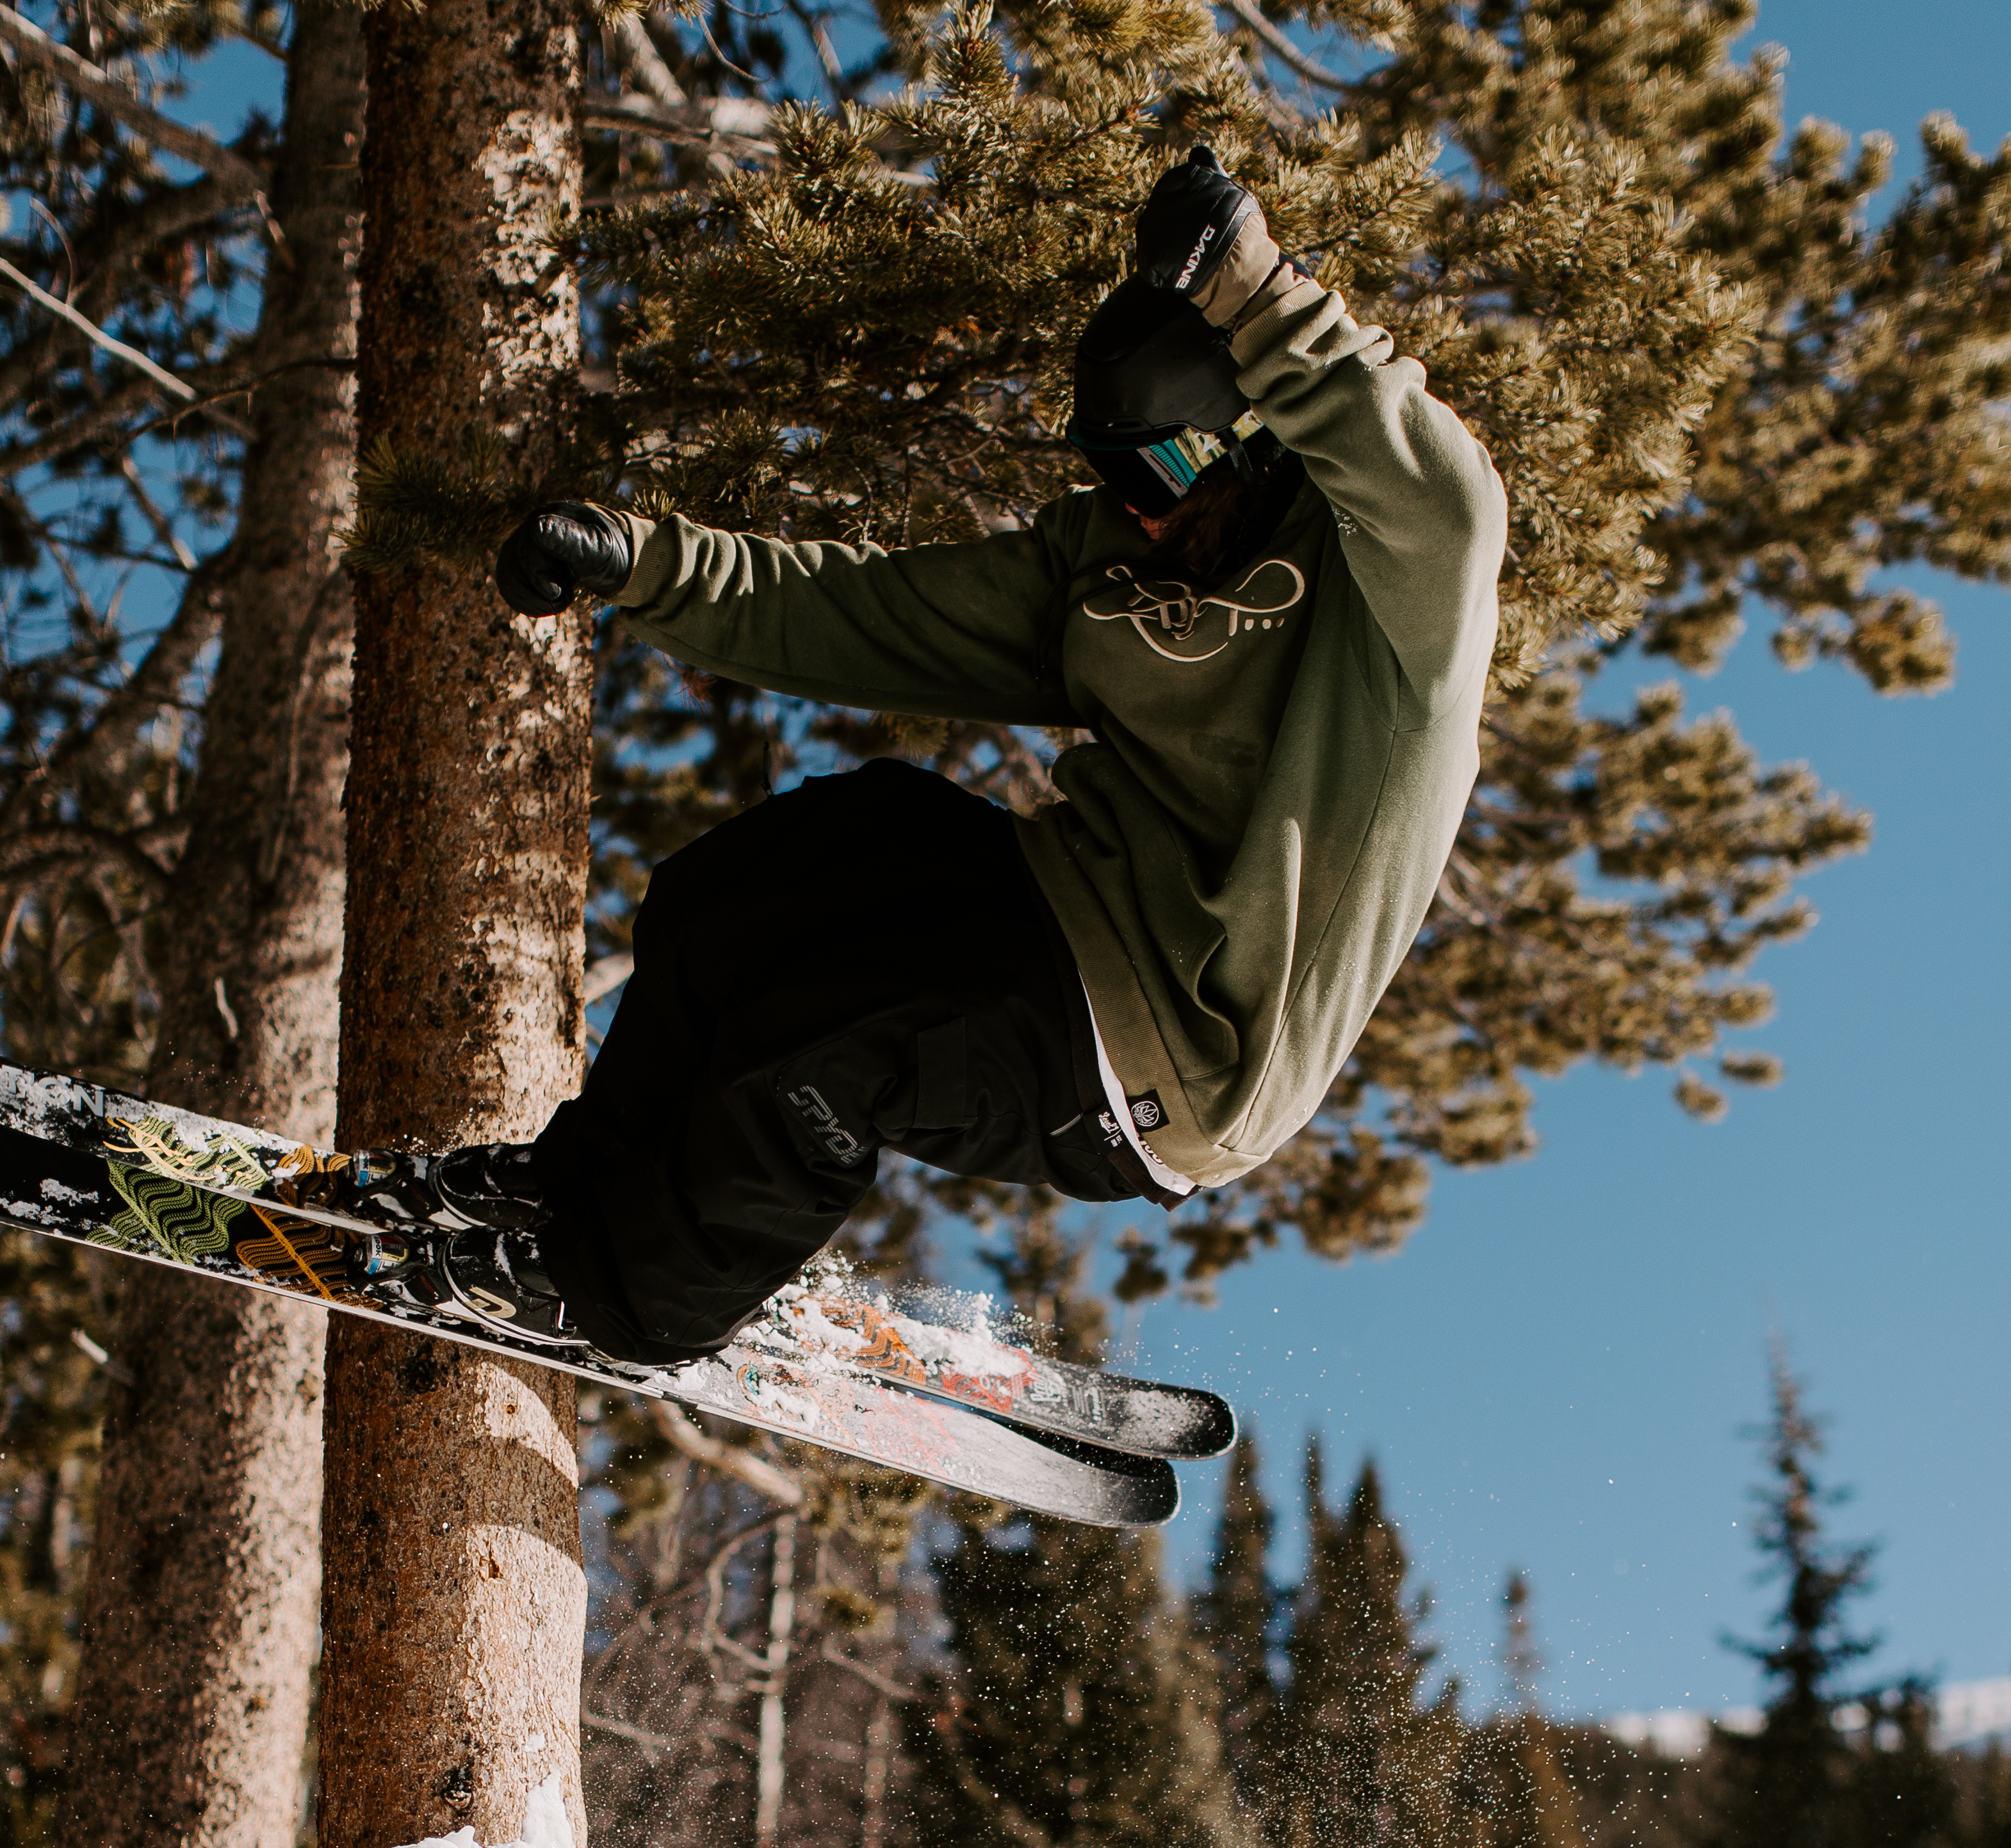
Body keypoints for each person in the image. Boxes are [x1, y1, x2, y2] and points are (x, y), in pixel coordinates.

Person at [422, 145, 1508, 1367]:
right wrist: (643, 566)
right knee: (753, 886)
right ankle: (578, 1192)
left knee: (825, 1049)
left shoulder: (1386, 602)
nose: (1138, 506)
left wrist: (1253, 288)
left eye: (1162, 466)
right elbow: (871, 611)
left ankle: (629, 1300)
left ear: (1255, 440)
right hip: (1054, 905)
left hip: (1172, 1054)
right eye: (1111, 467)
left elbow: (1453, 500)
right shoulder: (1104, 559)